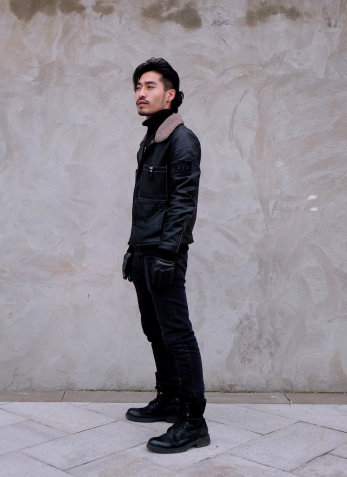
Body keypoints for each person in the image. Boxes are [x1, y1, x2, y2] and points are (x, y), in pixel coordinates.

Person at [121, 57, 209, 454]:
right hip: (146, 251)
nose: (141, 93)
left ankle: (193, 421)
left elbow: (182, 204)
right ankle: (170, 398)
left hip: (164, 254)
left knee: (177, 334)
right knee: (154, 330)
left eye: (150, 86)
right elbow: (145, 204)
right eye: (138, 86)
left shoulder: (181, 139)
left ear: (170, 94)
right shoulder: (152, 138)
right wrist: (132, 248)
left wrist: (166, 256)